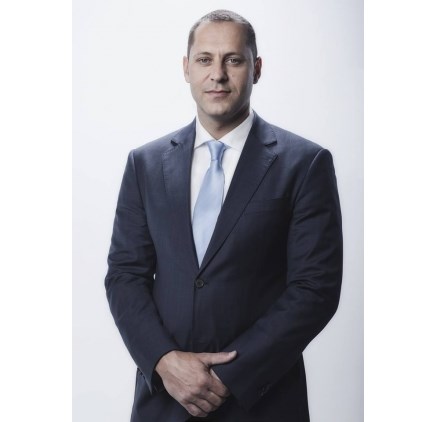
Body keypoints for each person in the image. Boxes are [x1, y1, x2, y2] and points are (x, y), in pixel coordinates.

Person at [105, 9, 343, 422]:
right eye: (205, 59)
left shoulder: (304, 163)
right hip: (164, 400)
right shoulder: (145, 164)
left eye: (233, 60)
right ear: (186, 68)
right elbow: (125, 275)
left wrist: (230, 376)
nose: (217, 74)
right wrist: (164, 361)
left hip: (262, 402)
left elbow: (315, 289)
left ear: (257, 68)